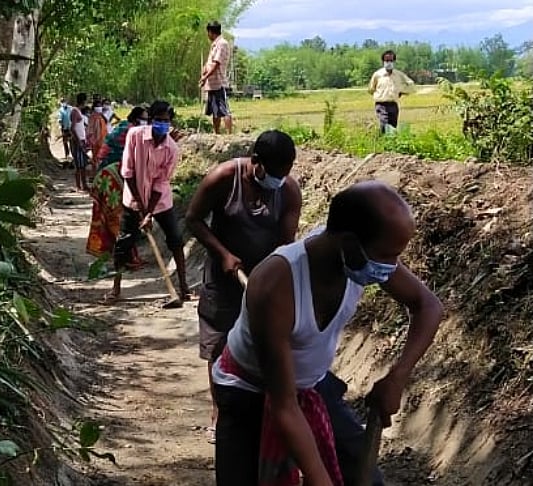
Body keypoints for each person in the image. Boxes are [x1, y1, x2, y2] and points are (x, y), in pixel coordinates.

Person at [213, 181, 444, 486]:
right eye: (386, 256)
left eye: (395, 257)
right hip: (249, 392)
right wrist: (319, 478)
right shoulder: (275, 283)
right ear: (347, 242)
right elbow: (284, 406)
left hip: (312, 387)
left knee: (366, 479)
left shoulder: (358, 256)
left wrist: (397, 377)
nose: (390, 268)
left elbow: (428, 306)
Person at [185, 130, 302, 444]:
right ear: (256, 162)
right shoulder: (224, 178)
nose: (279, 179)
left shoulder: (288, 191)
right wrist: (223, 253)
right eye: (274, 173)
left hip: (263, 284)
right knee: (219, 346)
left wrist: (273, 281)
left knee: (266, 346)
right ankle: (219, 413)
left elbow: (286, 244)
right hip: (223, 281)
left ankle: (264, 410)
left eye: (285, 173)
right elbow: (193, 219)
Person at [105, 101, 190, 303]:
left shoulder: (171, 148)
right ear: (150, 121)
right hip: (133, 200)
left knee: (176, 240)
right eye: (158, 120)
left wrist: (150, 212)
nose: (162, 124)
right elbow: (128, 172)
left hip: (160, 203)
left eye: (166, 121)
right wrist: (141, 209)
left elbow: (161, 183)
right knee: (124, 242)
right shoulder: (135, 136)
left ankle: (184, 286)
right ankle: (115, 288)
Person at [86, 107, 150, 269]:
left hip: (110, 175)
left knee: (117, 217)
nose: (146, 122)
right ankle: (126, 258)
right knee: (121, 217)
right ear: (136, 119)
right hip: (113, 176)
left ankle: (123, 255)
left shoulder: (125, 127)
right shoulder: (133, 132)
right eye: (144, 118)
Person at [368, 50, 416, 134]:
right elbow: (371, 89)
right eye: (387, 61)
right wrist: (379, 94)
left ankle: (390, 144)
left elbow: (411, 84)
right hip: (381, 104)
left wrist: (402, 91)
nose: (389, 63)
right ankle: (383, 142)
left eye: (391, 60)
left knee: (392, 126)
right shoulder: (377, 75)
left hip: (393, 105)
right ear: (383, 62)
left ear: (394, 61)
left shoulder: (399, 75)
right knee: (384, 123)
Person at [199, 20, 232, 135]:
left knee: (224, 110)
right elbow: (210, 62)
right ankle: (216, 133)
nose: (207, 35)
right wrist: (204, 71)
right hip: (212, 84)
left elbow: (216, 63)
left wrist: (205, 77)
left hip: (219, 82)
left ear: (211, 32)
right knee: (215, 111)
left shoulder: (222, 43)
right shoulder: (214, 45)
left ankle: (229, 134)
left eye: (208, 32)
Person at [70, 93, 90, 192]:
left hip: (82, 140)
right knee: (79, 165)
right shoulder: (75, 111)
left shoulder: (78, 111)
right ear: (84, 101)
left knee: (83, 164)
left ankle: (84, 184)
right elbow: (72, 128)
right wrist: (78, 141)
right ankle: (78, 186)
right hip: (78, 141)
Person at [87, 100, 109, 171]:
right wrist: (91, 140)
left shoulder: (101, 116)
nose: (99, 107)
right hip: (96, 141)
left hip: (103, 140)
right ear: (94, 107)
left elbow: (106, 123)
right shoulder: (92, 117)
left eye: (100, 106)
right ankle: (95, 174)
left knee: (101, 158)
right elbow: (90, 129)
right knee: (95, 158)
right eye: (97, 106)